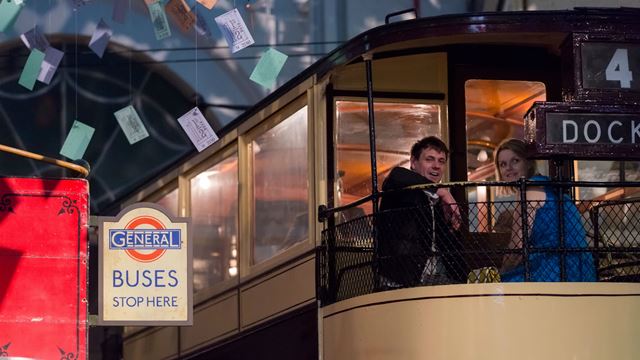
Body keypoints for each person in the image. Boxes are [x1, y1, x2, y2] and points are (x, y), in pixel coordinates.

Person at [494, 138, 596, 282]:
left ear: (528, 163)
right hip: (579, 267)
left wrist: (500, 273)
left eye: (515, 161)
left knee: (500, 290)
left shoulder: (529, 191)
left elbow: (518, 245)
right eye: (503, 164)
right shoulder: (546, 184)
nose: (508, 168)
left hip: (555, 268)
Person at [378, 136, 464, 288]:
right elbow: (396, 175)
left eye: (441, 161)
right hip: (401, 280)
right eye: (429, 159)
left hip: (437, 279)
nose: (436, 166)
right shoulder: (401, 189)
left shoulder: (440, 203)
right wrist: (442, 191)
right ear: (413, 162)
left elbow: (448, 247)